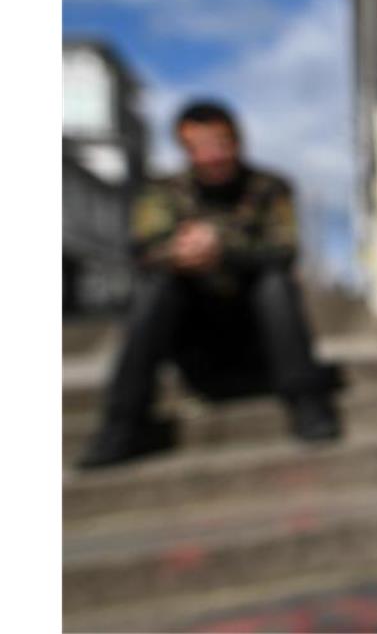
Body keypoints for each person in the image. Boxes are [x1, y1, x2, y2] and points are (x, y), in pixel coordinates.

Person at [78, 100, 342, 468]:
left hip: (257, 334)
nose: (211, 155)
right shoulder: (162, 190)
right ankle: (122, 423)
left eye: (219, 143)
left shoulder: (269, 187)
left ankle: (309, 404)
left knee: (275, 283)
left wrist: (221, 249)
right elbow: (143, 250)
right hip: (192, 338)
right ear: (184, 149)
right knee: (157, 289)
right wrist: (179, 253)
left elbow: (284, 250)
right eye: (198, 146)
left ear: (237, 142)